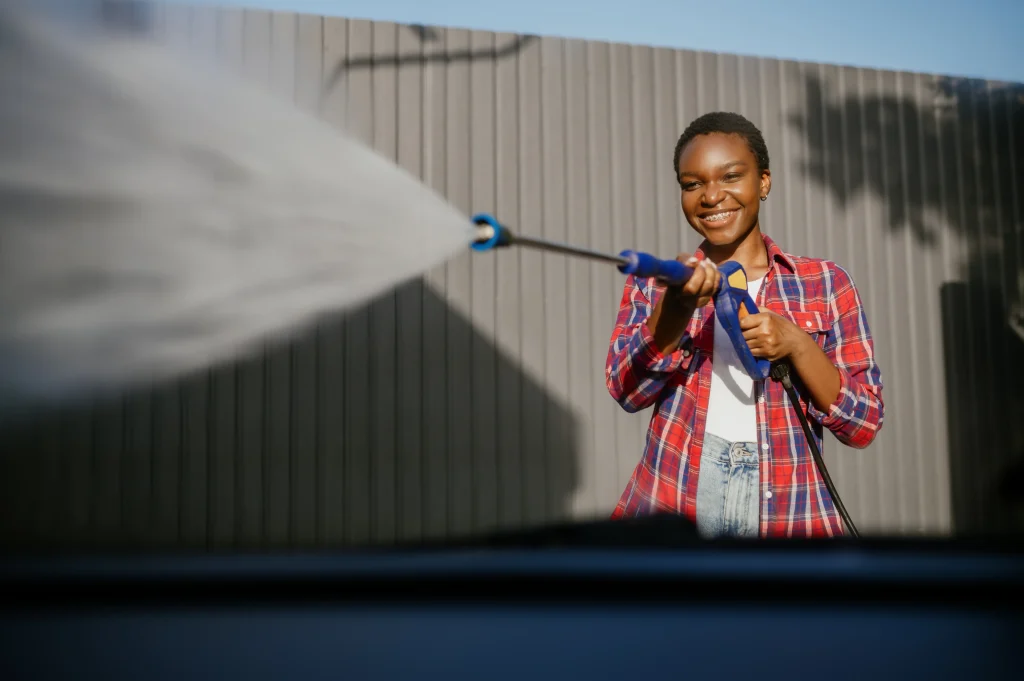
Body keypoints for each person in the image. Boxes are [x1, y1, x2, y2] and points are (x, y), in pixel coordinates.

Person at [605, 111, 884, 539]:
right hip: (678, 499)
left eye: (730, 177)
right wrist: (676, 309)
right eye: (692, 184)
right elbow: (627, 391)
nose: (711, 196)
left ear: (764, 182)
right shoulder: (657, 284)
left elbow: (863, 425)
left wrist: (798, 345)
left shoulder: (826, 283)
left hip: (790, 511)